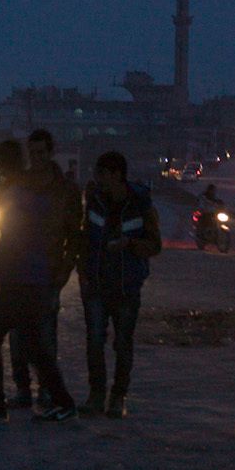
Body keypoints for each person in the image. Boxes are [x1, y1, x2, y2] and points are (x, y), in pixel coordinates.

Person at [0, 138, 78, 422]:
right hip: (32, 278)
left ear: (1, 164)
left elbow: (8, 241)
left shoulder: (16, 194)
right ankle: (59, 401)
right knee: (32, 347)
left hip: (20, 280)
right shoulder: (30, 193)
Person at [78, 151, 161, 418]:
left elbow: (155, 245)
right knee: (94, 342)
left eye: (102, 174)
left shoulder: (140, 204)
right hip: (96, 286)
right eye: (97, 174)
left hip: (126, 287)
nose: (98, 179)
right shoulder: (94, 201)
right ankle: (96, 395)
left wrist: (130, 244)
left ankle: (118, 396)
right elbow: (85, 240)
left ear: (117, 175)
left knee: (123, 343)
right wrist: (83, 273)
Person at [6, 129, 83, 407]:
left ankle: (46, 390)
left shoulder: (66, 190)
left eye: (40, 153)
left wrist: (65, 268)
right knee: (17, 334)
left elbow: (75, 234)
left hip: (49, 271)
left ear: (50, 153)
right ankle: (23, 389)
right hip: (19, 270)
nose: (36, 158)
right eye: (32, 153)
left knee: (45, 334)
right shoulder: (19, 184)